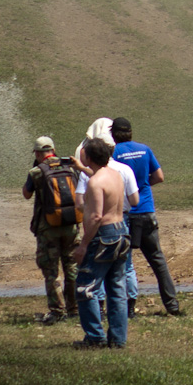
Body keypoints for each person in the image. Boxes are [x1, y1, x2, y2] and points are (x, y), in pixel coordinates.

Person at [111, 117, 181, 316]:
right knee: (158, 261)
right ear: (131, 131)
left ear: (113, 134)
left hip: (126, 213)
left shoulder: (114, 153)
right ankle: (172, 305)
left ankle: (126, 308)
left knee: (124, 262)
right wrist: (143, 186)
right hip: (147, 211)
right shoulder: (144, 149)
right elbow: (159, 176)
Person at [72, 118, 140, 318]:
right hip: (122, 223)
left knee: (93, 274)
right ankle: (127, 312)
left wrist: (83, 243)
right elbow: (134, 200)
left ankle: (97, 318)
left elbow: (87, 209)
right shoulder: (123, 171)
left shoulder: (91, 177)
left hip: (101, 229)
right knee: (124, 271)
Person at [73, 138, 131, 348]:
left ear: (89, 156)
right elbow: (99, 178)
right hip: (121, 231)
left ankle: (95, 337)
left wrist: (83, 245)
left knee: (85, 288)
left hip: (103, 235)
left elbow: (96, 216)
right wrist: (82, 169)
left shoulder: (95, 182)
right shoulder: (114, 175)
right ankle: (118, 339)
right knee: (116, 288)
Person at [22, 136, 79, 325]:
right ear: (53, 150)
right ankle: (74, 308)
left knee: (51, 270)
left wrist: (34, 171)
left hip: (48, 228)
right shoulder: (69, 167)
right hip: (71, 225)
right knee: (71, 267)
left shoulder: (37, 172)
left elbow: (26, 194)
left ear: (38, 154)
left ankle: (56, 310)